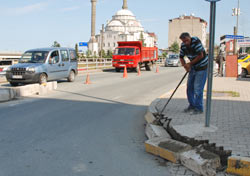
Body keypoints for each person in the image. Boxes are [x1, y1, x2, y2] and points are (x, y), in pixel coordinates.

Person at [179, 32, 208, 115]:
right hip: (193, 68)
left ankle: (199, 108)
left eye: (187, 40)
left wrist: (190, 64)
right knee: (189, 87)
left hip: (202, 67)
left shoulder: (196, 42)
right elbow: (181, 57)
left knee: (198, 88)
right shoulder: (183, 46)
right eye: (184, 41)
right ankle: (192, 105)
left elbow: (200, 55)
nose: (186, 43)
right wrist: (185, 66)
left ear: (189, 38)